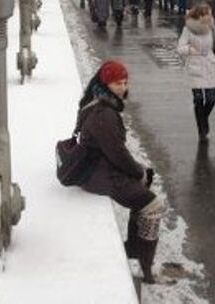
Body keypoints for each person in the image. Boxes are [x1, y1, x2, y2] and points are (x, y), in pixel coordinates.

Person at [75, 61, 164, 284]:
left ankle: (135, 250)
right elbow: (117, 153)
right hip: (98, 174)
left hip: (97, 168)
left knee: (143, 190)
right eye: (117, 83)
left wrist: (139, 173)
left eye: (125, 82)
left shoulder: (99, 101)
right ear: (106, 83)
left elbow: (114, 152)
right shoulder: (104, 113)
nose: (122, 88)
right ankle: (144, 263)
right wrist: (139, 172)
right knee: (153, 205)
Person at [176, 4, 215, 141]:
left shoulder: (213, 28)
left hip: (210, 64)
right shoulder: (188, 29)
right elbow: (180, 48)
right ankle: (202, 129)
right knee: (198, 99)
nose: (210, 16)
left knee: (211, 99)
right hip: (195, 65)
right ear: (199, 15)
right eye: (207, 14)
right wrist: (190, 50)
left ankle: (203, 120)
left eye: (210, 14)